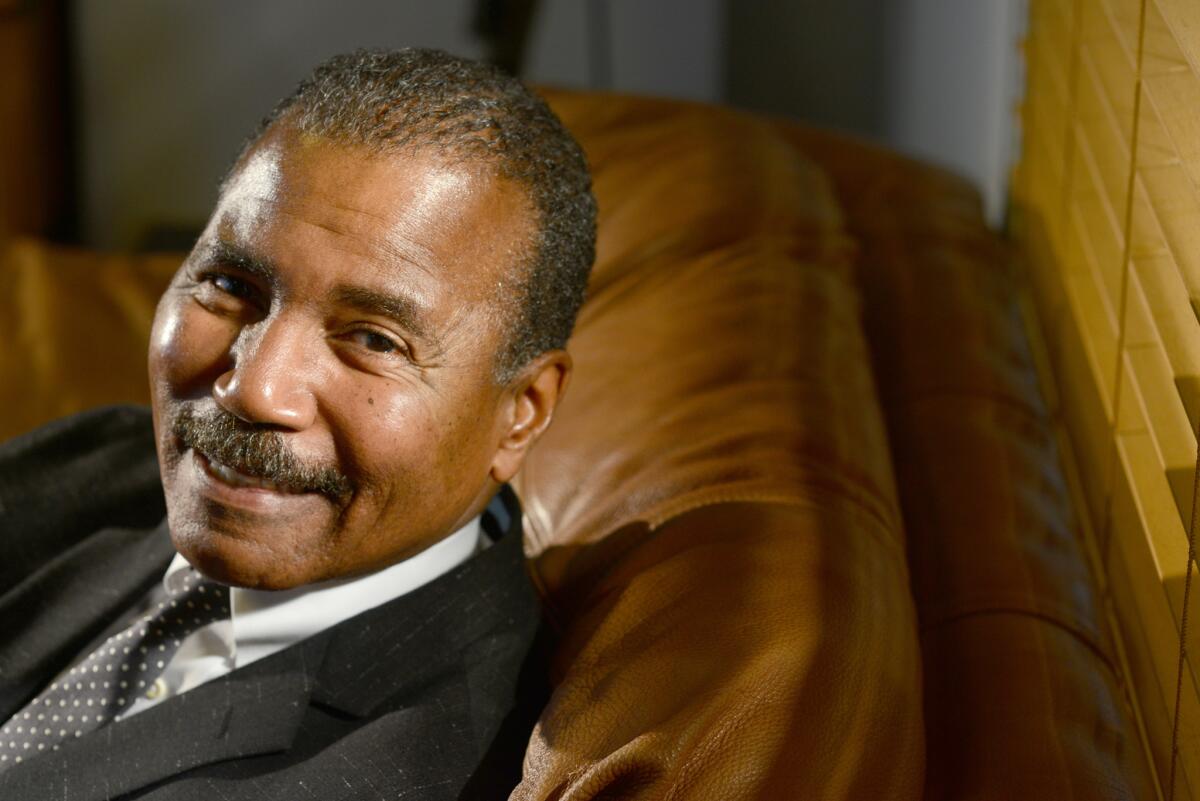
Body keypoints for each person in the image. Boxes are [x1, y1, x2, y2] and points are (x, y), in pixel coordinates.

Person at [0, 47, 596, 801]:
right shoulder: (104, 460)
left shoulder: (422, 768)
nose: (255, 389)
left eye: (374, 338)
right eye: (230, 284)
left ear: (522, 414)